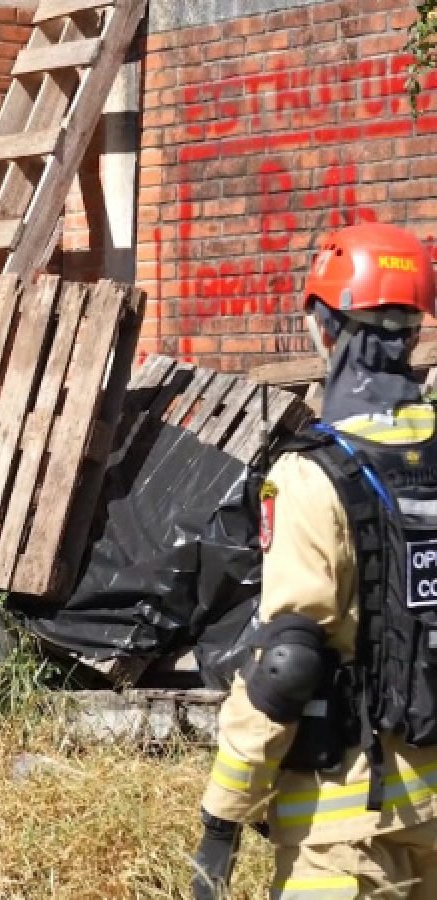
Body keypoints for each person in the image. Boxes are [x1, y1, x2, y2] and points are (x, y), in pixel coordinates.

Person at [192, 221, 437, 899]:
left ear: (324, 329)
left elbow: (289, 661)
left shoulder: (311, 476)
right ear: (413, 329)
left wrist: (222, 818)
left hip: (344, 819)